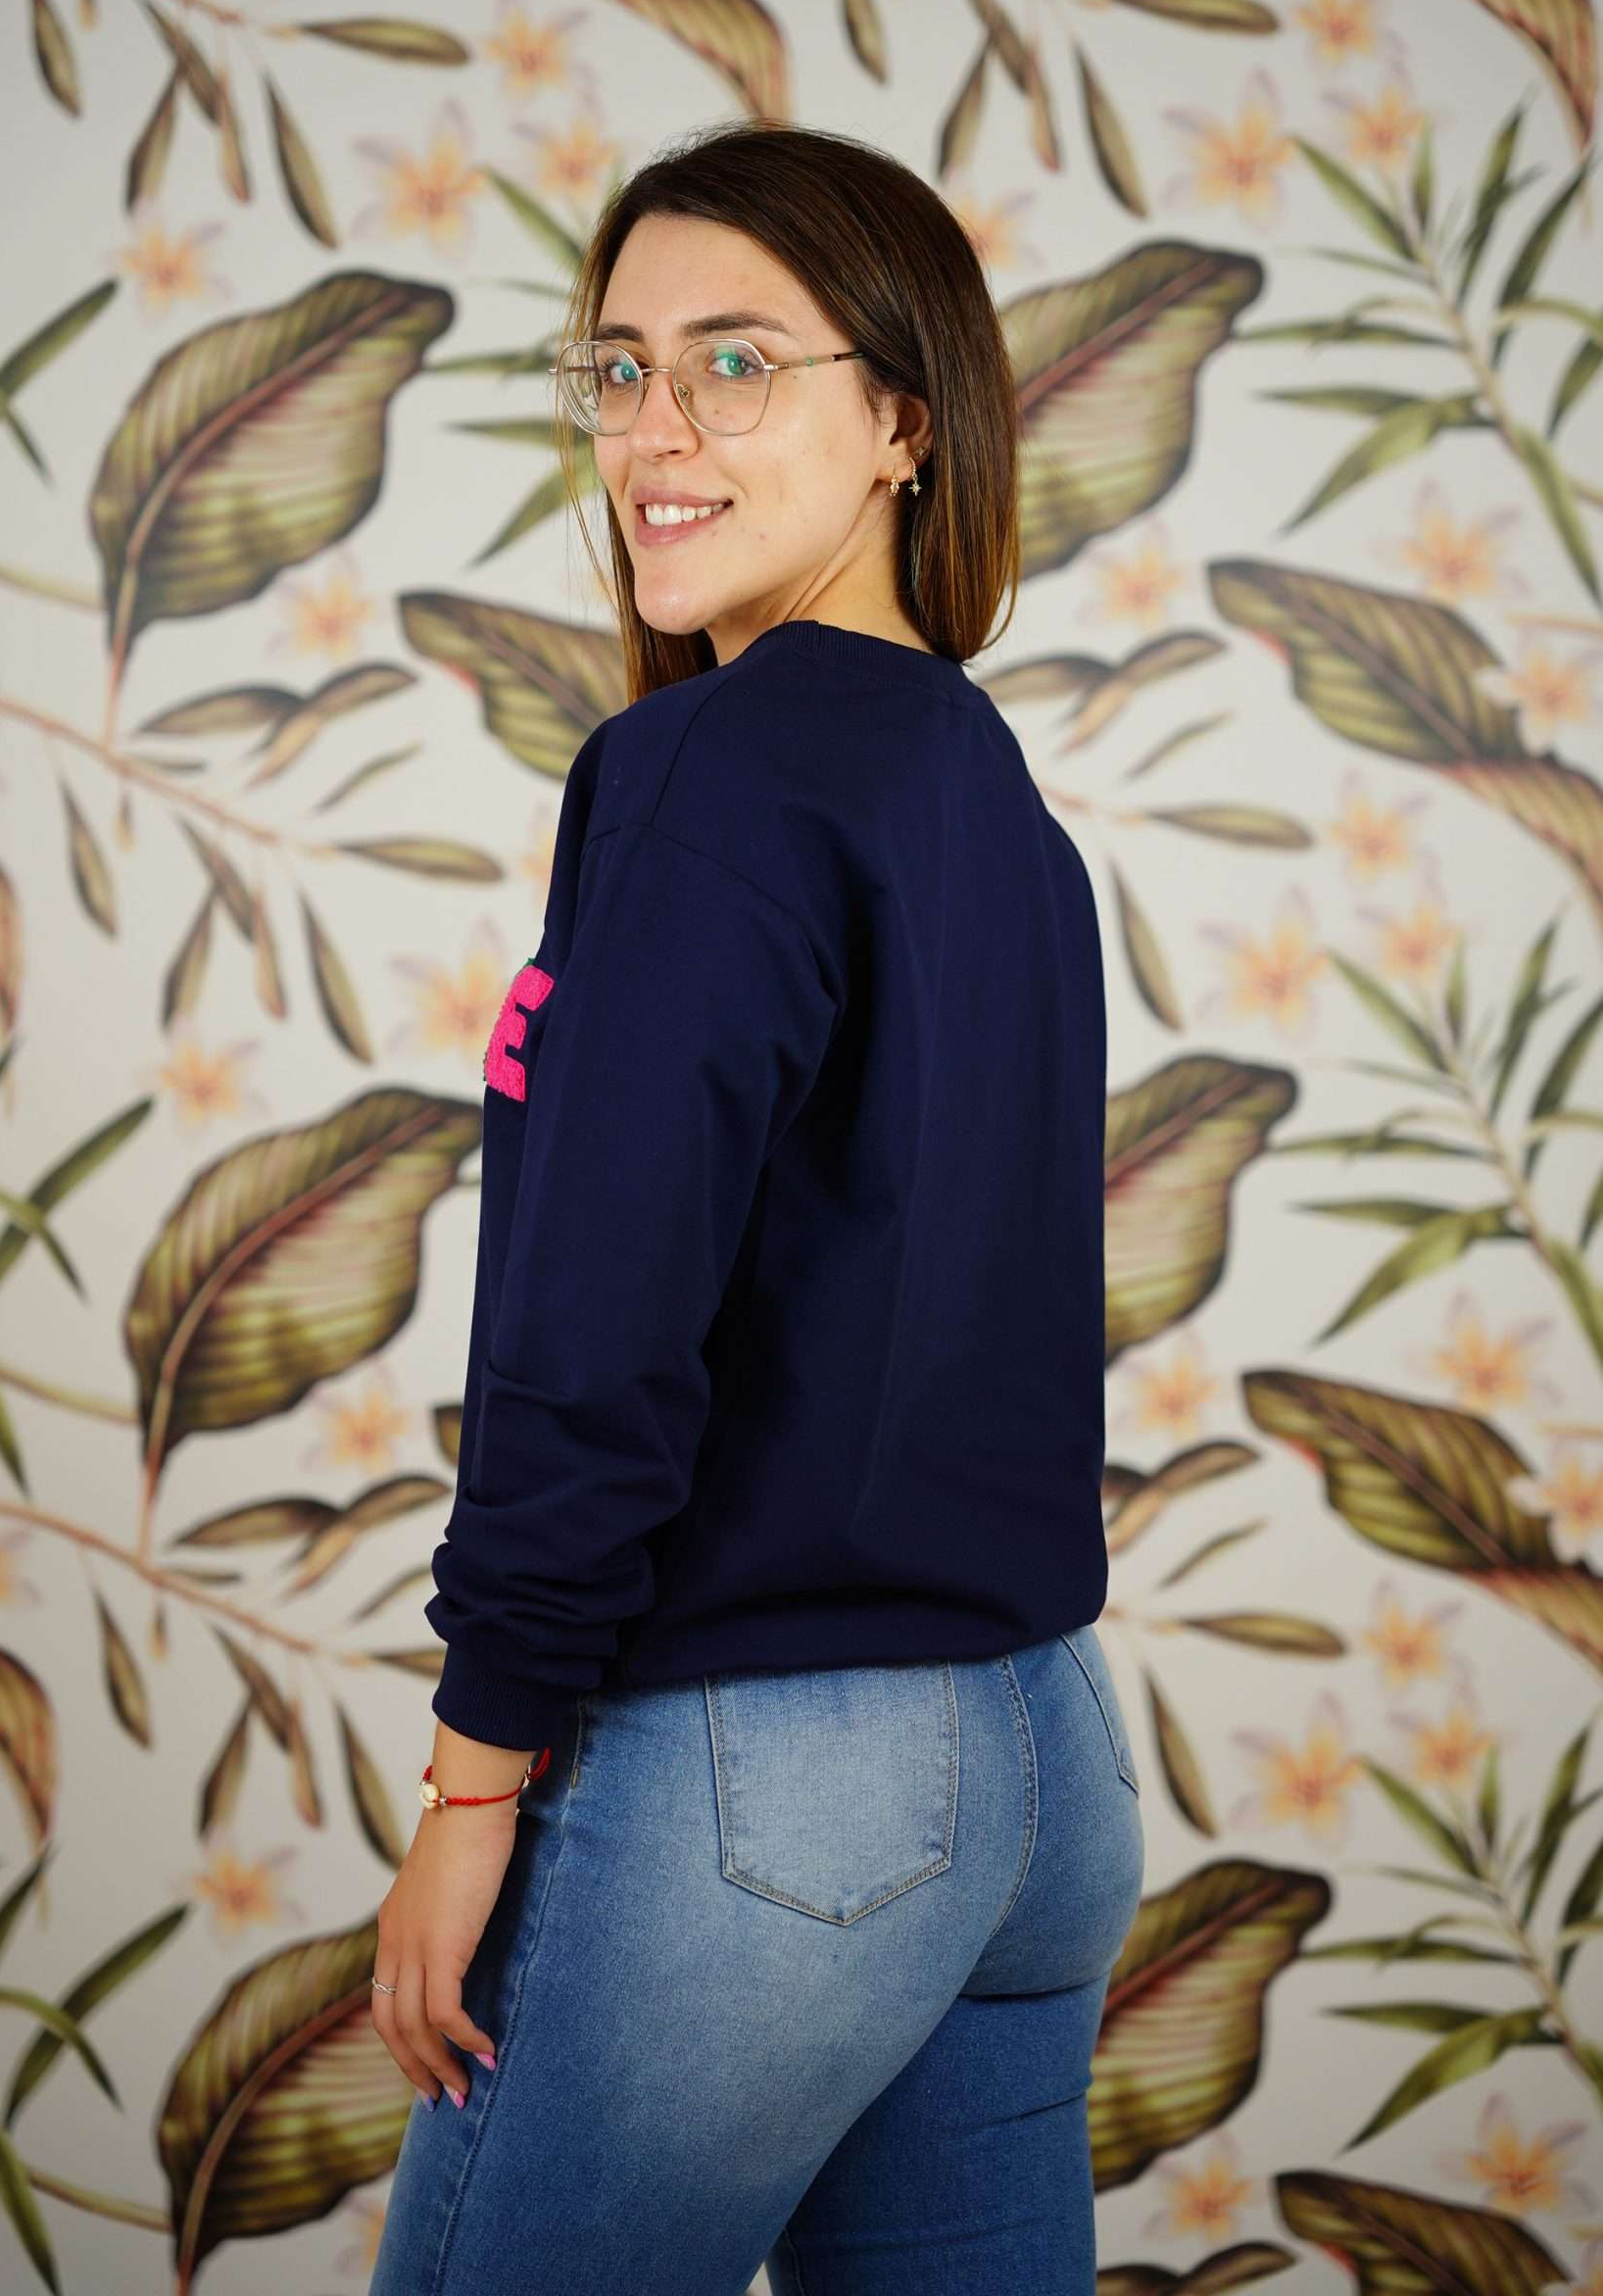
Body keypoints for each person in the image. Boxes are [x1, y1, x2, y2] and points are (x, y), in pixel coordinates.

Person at [368, 120, 1144, 2296]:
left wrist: (469, 1787)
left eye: (732, 363)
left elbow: (594, 1332)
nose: (654, 431)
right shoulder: (984, 794)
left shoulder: (707, 768)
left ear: (903, 421)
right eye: (617, 371)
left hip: (772, 1795)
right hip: (1037, 1763)